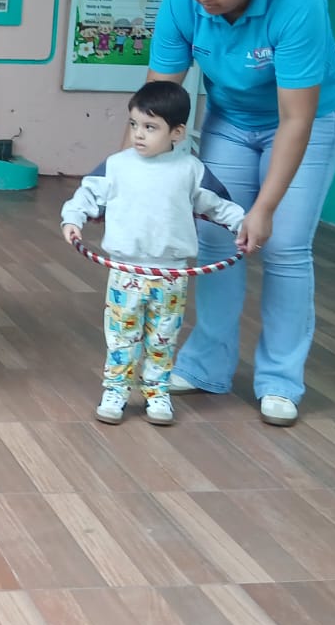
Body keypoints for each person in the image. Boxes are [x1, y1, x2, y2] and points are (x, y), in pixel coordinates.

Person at [143, 0, 335, 426]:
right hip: (231, 120)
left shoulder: (299, 0)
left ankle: (280, 380)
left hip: (306, 121)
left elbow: (296, 119)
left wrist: (265, 207)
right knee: (216, 239)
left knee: (284, 245)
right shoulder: (182, 0)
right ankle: (206, 366)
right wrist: (129, 177)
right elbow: (157, 103)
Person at [61, 82, 245, 427]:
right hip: (126, 271)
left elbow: (219, 206)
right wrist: (73, 218)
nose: (138, 134)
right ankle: (115, 390)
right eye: (134, 124)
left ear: (177, 132)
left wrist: (244, 226)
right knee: (121, 337)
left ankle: (157, 391)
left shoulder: (190, 169)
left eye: (150, 127)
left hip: (170, 274)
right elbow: (87, 195)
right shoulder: (117, 165)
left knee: (163, 337)